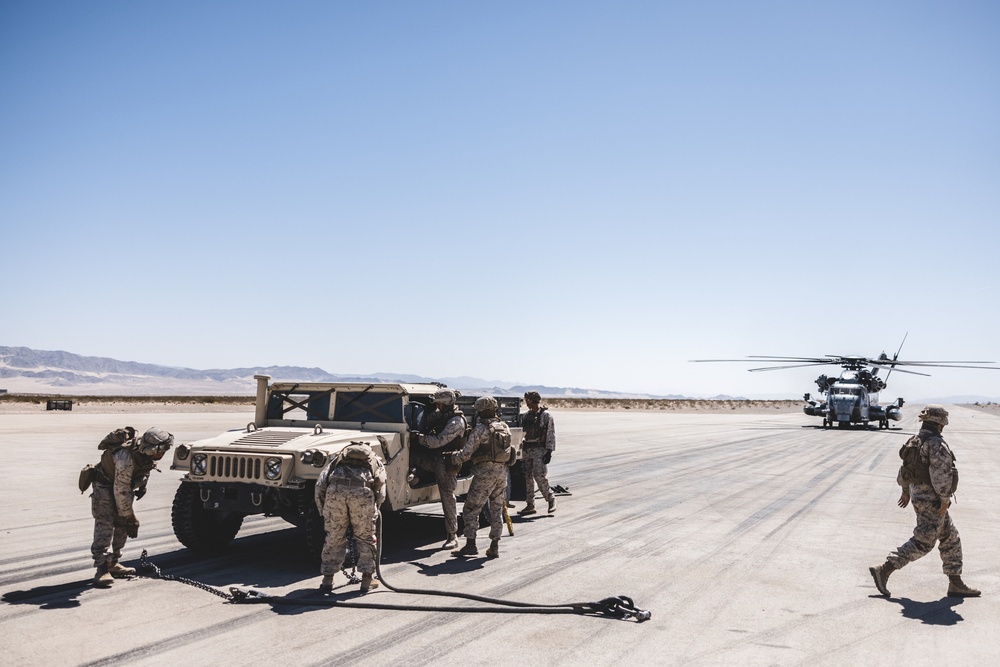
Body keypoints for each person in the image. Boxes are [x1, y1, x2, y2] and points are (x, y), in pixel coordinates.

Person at [869, 405, 980, 598]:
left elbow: (906, 470)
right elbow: (941, 476)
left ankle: (955, 582)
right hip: (933, 500)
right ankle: (885, 569)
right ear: (939, 423)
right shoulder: (936, 443)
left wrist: (905, 491)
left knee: (950, 536)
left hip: (919, 496)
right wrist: (945, 499)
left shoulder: (915, 440)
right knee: (924, 542)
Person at [90, 426, 174, 588]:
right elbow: (121, 492)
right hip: (104, 485)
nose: (163, 453)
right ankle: (101, 568)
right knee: (105, 524)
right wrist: (131, 518)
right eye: (161, 450)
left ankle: (113, 562)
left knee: (122, 523)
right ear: (152, 448)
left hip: (121, 486)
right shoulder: (125, 458)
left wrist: (142, 485)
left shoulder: (145, 453)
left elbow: (146, 467)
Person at [315, 442, 387, 594]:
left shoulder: (337, 459)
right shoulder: (375, 461)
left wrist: (323, 510)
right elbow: (381, 491)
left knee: (334, 536)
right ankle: (367, 579)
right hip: (362, 494)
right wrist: (375, 509)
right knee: (365, 537)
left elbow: (320, 485)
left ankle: (328, 578)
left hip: (335, 493)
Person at [451, 396, 513, 559]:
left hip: (485, 474)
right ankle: (494, 546)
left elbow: (466, 453)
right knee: (496, 509)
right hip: (502, 473)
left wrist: (453, 458)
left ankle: (471, 545)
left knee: (471, 509)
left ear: (481, 411)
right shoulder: (504, 426)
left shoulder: (480, 429)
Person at [411, 388, 468, 549]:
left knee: (447, 497)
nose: (437, 407)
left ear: (446, 404)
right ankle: (415, 476)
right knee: (413, 457)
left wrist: (420, 438)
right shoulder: (442, 415)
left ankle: (452, 535)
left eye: (439, 404)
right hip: (434, 459)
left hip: (447, 463)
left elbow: (437, 441)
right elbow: (428, 421)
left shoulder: (456, 422)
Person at [517, 391, 557, 515]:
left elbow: (551, 433)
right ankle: (530, 505)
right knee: (528, 477)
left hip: (539, 449)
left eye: (529, 401)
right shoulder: (525, 416)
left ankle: (550, 498)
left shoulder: (546, 416)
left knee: (539, 476)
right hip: (527, 449)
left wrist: (549, 451)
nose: (528, 404)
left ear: (535, 400)